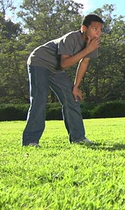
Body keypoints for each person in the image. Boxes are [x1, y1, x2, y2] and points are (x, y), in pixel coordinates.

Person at [22, 14, 104, 147]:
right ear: (84, 28)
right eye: (95, 29)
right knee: (40, 99)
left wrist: (76, 87)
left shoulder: (92, 45)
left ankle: (78, 138)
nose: (98, 33)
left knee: (72, 98)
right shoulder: (71, 38)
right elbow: (65, 64)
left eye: (100, 30)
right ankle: (30, 140)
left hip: (56, 70)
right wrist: (87, 50)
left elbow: (83, 64)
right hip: (39, 61)